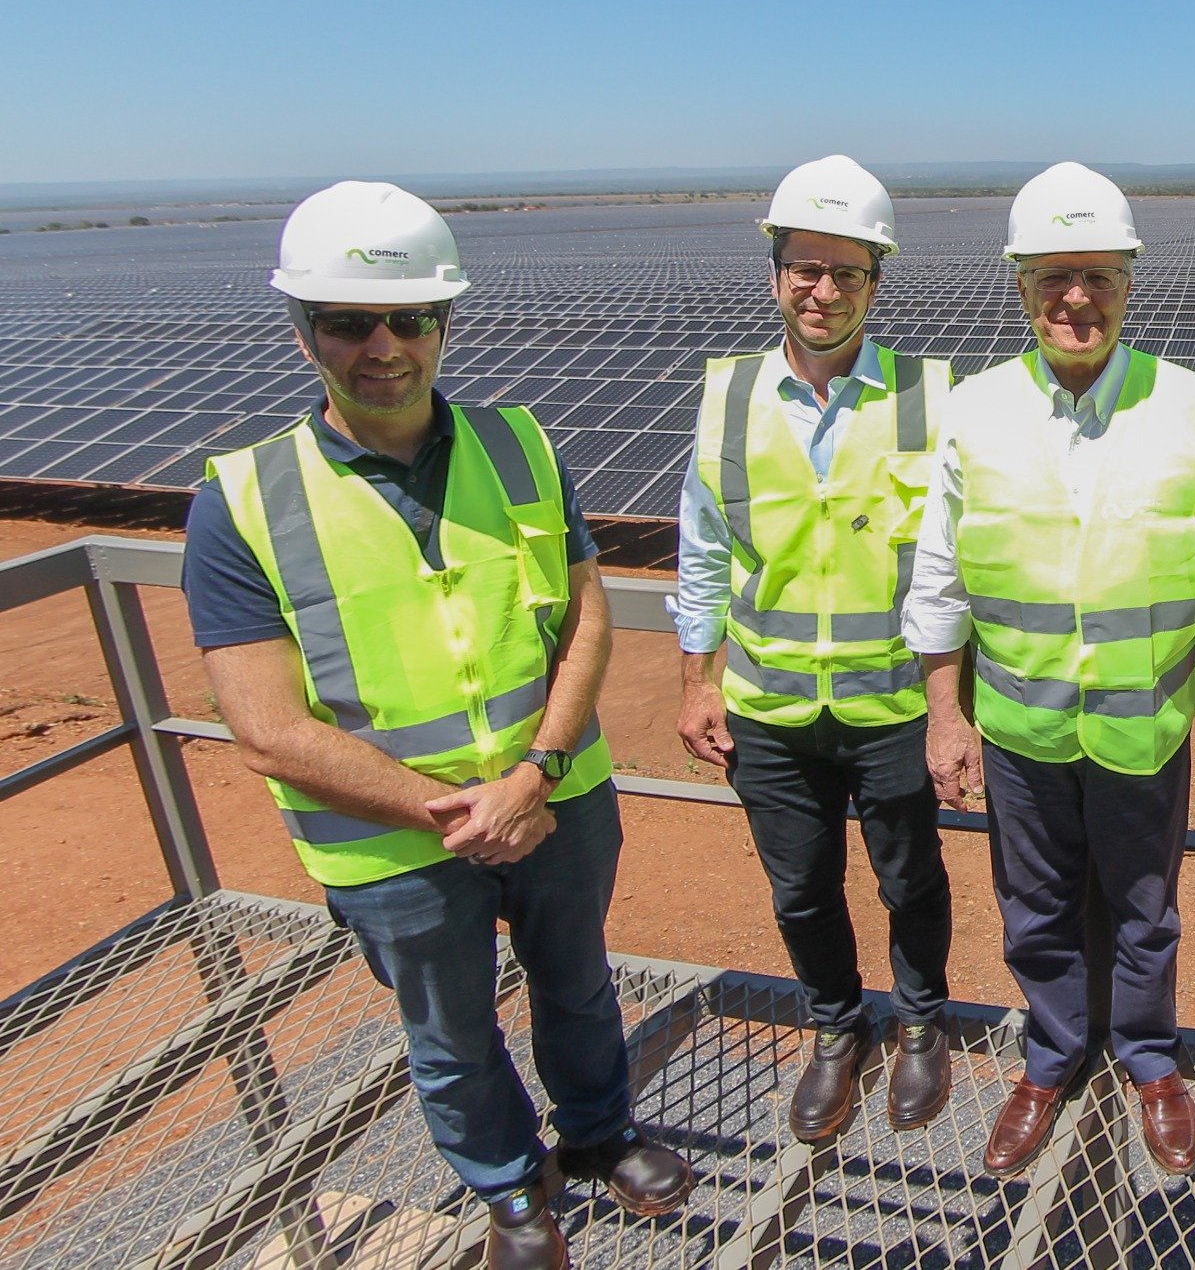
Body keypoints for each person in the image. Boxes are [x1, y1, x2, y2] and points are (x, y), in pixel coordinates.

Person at [182, 183, 693, 1270]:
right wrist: (461, 809)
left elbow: (587, 614)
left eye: (409, 318)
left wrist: (537, 772)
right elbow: (265, 728)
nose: (382, 346)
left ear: (444, 323)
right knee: (450, 1033)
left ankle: (602, 1136)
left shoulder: (519, 443)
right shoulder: (242, 498)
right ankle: (511, 1187)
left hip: (554, 800)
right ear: (300, 326)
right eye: (347, 321)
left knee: (579, 982)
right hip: (396, 842)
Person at [905, 162, 1195, 1181]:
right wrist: (945, 714)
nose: (1076, 297)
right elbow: (939, 579)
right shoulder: (975, 411)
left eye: (1098, 274)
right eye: (1055, 275)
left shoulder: (1183, 402)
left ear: (1127, 283)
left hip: (1144, 725)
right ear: (1020, 286)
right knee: (1037, 905)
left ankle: (1150, 1060)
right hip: (1021, 729)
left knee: (1145, 909)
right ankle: (1052, 1057)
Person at [671, 157, 956, 1143]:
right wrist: (697, 678)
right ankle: (837, 1026)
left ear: (875, 282)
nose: (822, 289)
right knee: (799, 887)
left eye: (845, 271)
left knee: (910, 876)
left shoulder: (931, 395)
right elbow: (703, 551)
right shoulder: (726, 396)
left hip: (891, 706)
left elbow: (953, 563)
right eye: (805, 267)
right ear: (776, 273)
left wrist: (950, 704)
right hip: (769, 705)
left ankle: (922, 1019)